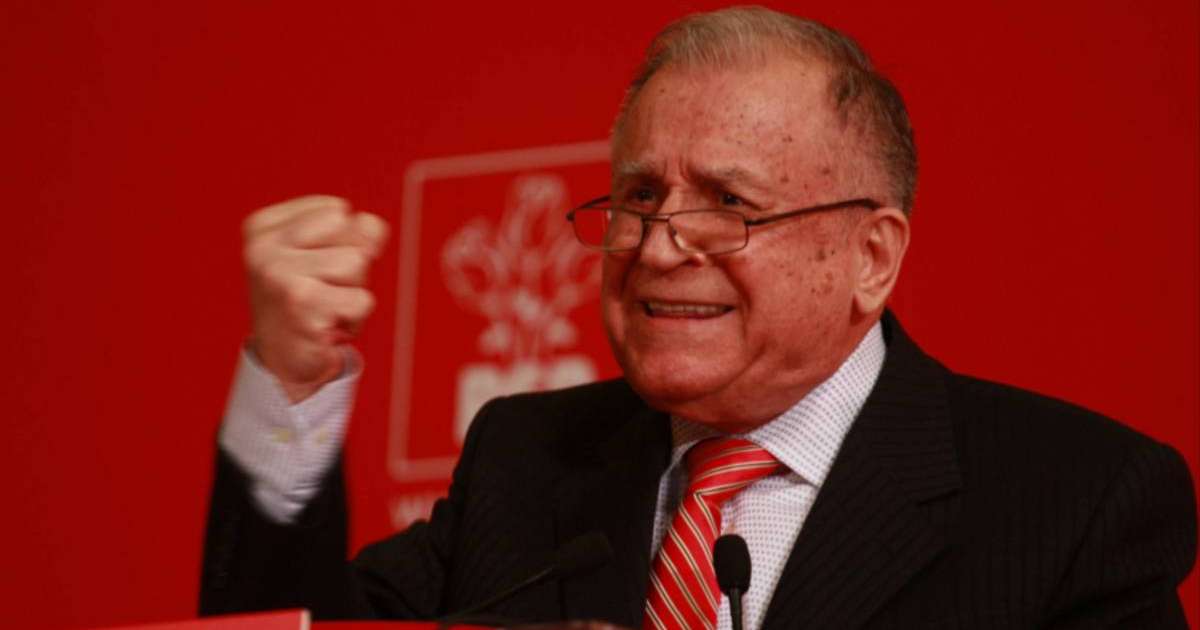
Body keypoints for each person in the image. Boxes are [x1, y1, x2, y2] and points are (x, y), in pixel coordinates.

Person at [200, 7, 1197, 629]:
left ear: (870, 257)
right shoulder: (527, 462)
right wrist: (290, 387)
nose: (658, 243)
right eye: (640, 195)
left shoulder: (1074, 502)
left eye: (728, 203)